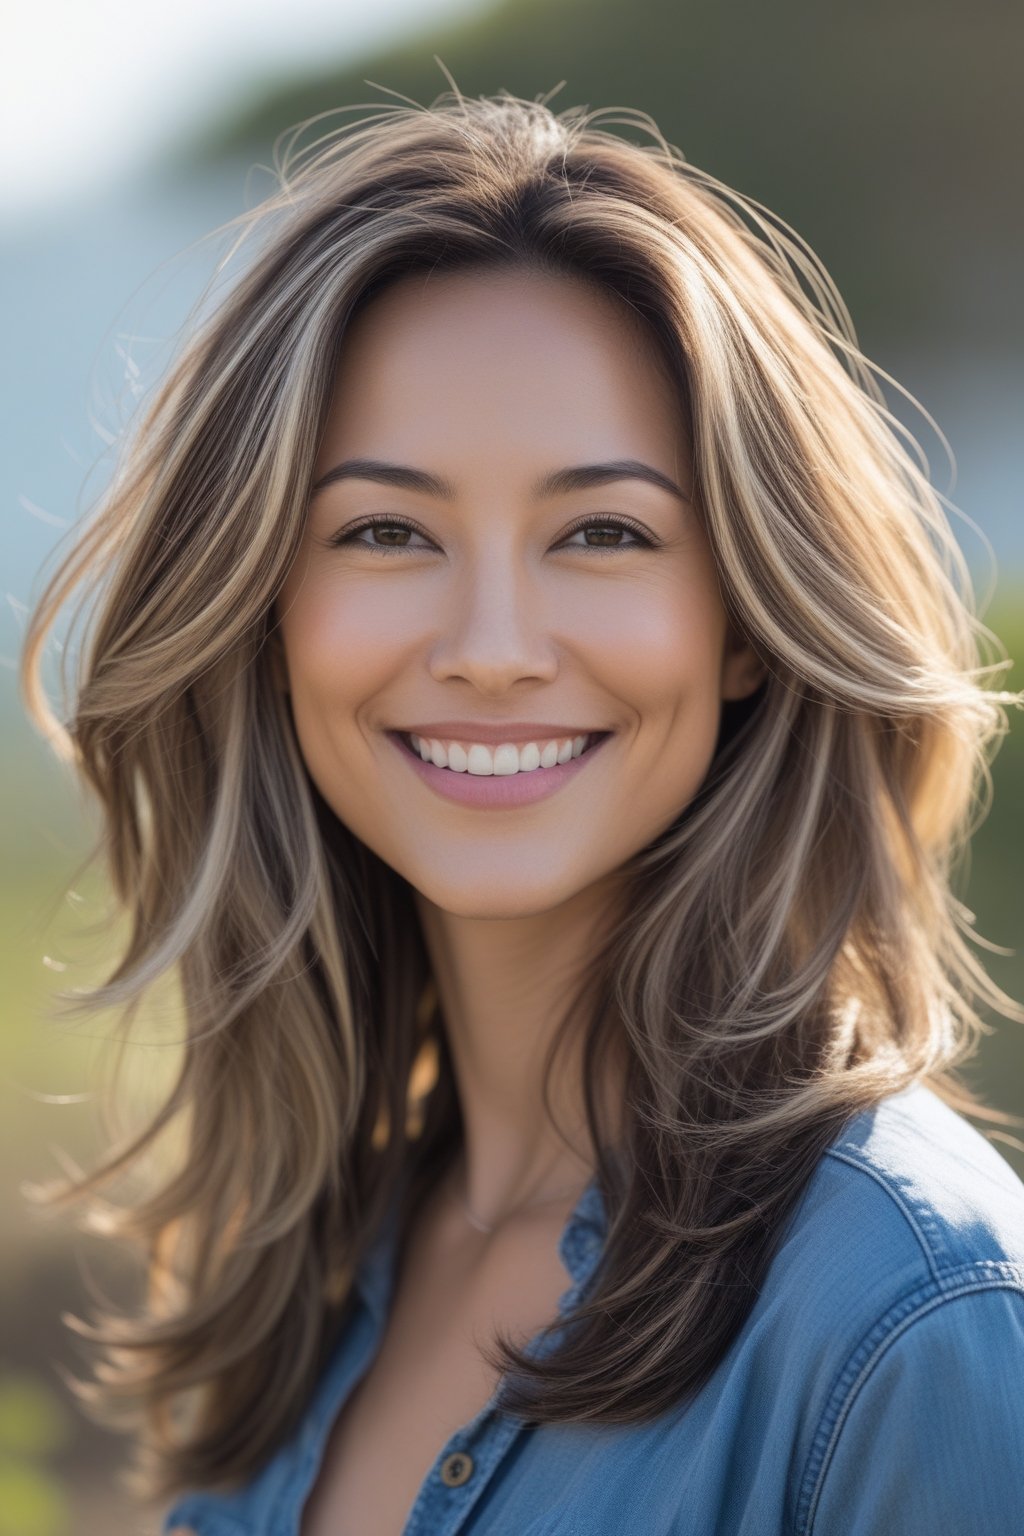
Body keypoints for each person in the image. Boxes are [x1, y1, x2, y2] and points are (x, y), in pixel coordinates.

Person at [19, 89, 1024, 1536]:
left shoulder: (910, 1313)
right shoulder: (304, 1275)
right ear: (267, 614)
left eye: (603, 533)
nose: (492, 644)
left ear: (745, 619)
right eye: (386, 532)